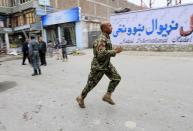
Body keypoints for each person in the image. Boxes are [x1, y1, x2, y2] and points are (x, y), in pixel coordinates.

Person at [76, 21, 122, 108]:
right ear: (104, 29)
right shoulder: (102, 38)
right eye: (109, 26)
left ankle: (107, 96)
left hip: (106, 64)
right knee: (91, 84)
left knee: (116, 78)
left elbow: (104, 50)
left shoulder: (106, 38)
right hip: (98, 66)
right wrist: (115, 51)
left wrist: (113, 49)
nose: (111, 27)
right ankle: (81, 97)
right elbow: (100, 54)